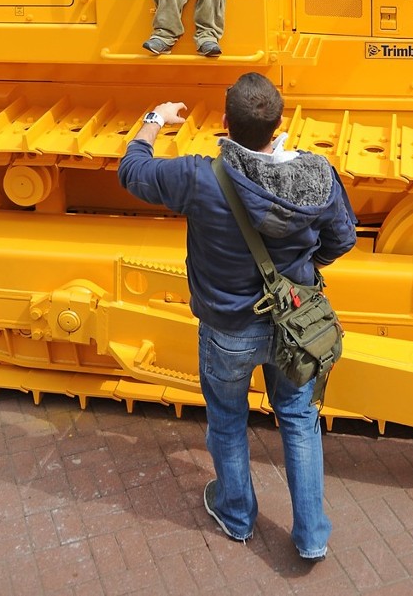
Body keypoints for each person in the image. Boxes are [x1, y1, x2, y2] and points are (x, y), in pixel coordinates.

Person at [117, 73, 357, 560]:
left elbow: (133, 171)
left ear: (225, 124)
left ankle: (237, 515)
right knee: (297, 419)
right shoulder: (317, 176)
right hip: (295, 323)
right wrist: (304, 271)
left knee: (227, 420)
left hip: (227, 329)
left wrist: (154, 119)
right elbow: (343, 238)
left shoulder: (199, 177)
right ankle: (311, 537)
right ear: (279, 123)